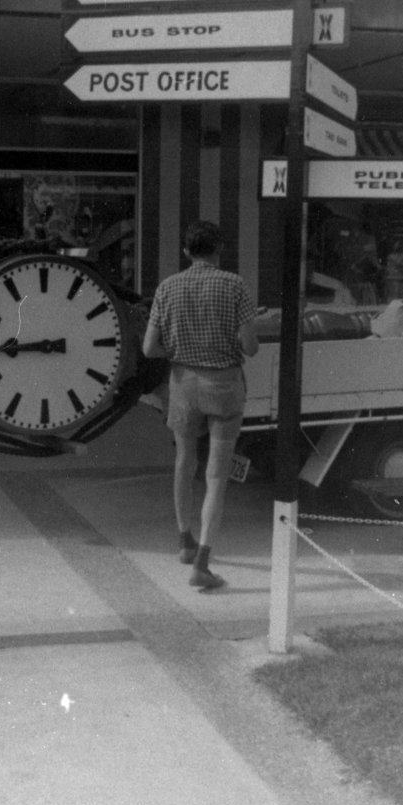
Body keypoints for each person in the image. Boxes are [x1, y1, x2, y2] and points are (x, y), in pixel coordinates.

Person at [142, 220, 259, 591]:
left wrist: (180, 350)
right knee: (216, 475)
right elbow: (251, 346)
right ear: (219, 249)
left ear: (186, 252)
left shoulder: (167, 287)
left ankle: (184, 541)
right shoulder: (235, 285)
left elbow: (149, 348)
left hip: (183, 385)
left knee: (184, 461)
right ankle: (203, 563)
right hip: (223, 386)